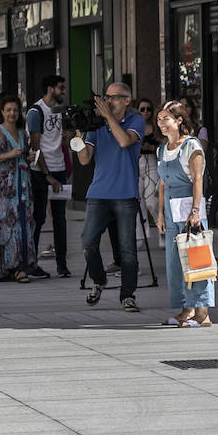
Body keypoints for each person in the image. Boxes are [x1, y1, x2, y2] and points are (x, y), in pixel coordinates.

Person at [78, 82, 145, 312]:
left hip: (126, 195)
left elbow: (125, 141)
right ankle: (99, 280)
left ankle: (127, 295)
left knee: (127, 250)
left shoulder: (136, 121)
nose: (108, 101)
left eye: (114, 97)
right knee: (87, 241)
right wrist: (77, 134)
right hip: (98, 193)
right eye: (106, 97)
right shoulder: (97, 126)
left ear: (127, 100)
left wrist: (108, 117)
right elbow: (84, 159)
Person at [155, 100, 214, 327]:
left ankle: (203, 314)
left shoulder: (192, 146)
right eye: (159, 119)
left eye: (166, 119)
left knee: (197, 261)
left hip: (191, 212)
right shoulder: (162, 149)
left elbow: (198, 179)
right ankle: (186, 309)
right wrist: (160, 214)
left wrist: (196, 211)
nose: (161, 123)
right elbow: (161, 184)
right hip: (171, 213)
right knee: (175, 264)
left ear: (179, 121)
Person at [0, 95, 36, 283]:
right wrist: (7, 155)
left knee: (23, 222)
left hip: (21, 183)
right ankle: (12, 267)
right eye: (8, 110)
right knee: (8, 224)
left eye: (15, 110)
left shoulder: (22, 133)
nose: (12, 113)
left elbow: (25, 154)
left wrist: (28, 158)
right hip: (3, 186)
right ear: (2, 112)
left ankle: (21, 265)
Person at [25, 75, 70, 279]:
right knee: (39, 218)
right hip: (41, 171)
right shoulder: (36, 112)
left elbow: (57, 137)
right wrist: (47, 175)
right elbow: (36, 147)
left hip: (59, 168)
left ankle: (62, 264)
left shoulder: (59, 110)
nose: (64, 91)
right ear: (50, 89)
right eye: (61, 88)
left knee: (60, 219)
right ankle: (31, 263)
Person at [137, 97, 161, 230]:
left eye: (148, 109)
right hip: (136, 164)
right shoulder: (133, 126)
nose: (146, 112)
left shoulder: (156, 127)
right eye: (142, 109)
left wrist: (152, 148)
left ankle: (161, 228)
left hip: (152, 163)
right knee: (138, 203)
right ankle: (141, 236)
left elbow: (163, 145)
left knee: (152, 201)